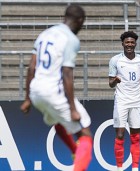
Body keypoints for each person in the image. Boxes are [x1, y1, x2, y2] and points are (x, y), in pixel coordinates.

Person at [20, 5, 93, 171]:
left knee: (57, 119)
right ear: (80, 21)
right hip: (53, 91)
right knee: (86, 135)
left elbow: (31, 67)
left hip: (36, 91)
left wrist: (27, 99)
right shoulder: (71, 39)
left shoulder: (45, 34)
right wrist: (73, 109)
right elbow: (67, 73)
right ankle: (79, 162)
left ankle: (75, 152)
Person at [108, 31, 140, 171]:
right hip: (121, 102)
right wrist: (115, 80)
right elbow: (110, 84)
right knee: (119, 134)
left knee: (135, 136)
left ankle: (135, 168)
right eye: (127, 42)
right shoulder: (115, 60)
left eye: (132, 42)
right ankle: (119, 168)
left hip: (136, 102)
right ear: (122, 44)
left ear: (135, 43)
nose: (129, 44)